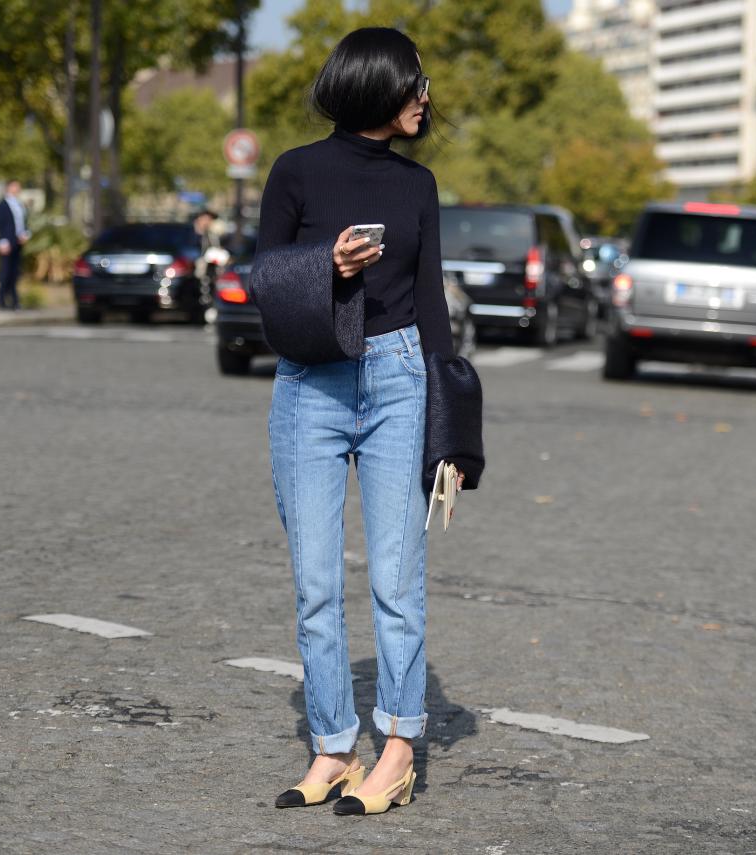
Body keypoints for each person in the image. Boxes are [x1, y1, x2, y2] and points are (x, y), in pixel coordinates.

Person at [257, 27, 464, 817]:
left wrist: (449, 428)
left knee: (396, 579)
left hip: (400, 379)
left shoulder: (418, 185)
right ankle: (335, 746)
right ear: (376, 86)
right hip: (310, 384)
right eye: (415, 84)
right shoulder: (295, 171)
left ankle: (399, 749)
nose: (424, 99)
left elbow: (433, 304)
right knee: (315, 582)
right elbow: (263, 277)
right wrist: (328, 266)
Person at [0, 180, 31, 310]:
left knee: (15, 273)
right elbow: (0, 224)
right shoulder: (3, 205)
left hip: (18, 242)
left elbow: (24, 223)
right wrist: (3, 242)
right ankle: (1, 300)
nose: (18, 188)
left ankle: (14, 301)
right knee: (5, 272)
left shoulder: (20, 204)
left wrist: (25, 234)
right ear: (9, 187)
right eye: (15, 186)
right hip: (7, 243)